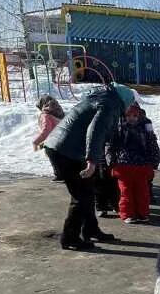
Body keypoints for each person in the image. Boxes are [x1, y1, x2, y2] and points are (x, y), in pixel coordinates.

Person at [43, 82, 136, 250]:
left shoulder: (102, 97)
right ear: (124, 101)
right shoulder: (110, 104)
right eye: (128, 105)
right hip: (65, 151)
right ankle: (70, 238)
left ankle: (91, 230)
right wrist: (92, 161)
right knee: (81, 196)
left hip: (64, 147)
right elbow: (96, 130)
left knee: (87, 192)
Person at [107, 102, 160, 224]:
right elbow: (111, 145)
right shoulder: (119, 128)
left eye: (134, 115)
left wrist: (155, 160)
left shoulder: (146, 129)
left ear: (139, 116)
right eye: (128, 115)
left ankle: (142, 213)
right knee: (126, 192)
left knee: (142, 192)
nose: (131, 118)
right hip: (124, 165)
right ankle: (128, 214)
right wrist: (110, 160)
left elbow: (152, 144)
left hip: (141, 165)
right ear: (124, 116)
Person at [32, 95, 65, 182]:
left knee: (53, 156)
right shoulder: (59, 111)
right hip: (65, 138)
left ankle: (59, 176)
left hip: (54, 141)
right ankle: (66, 174)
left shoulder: (45, 115)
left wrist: (36, 142)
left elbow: (46, 131)